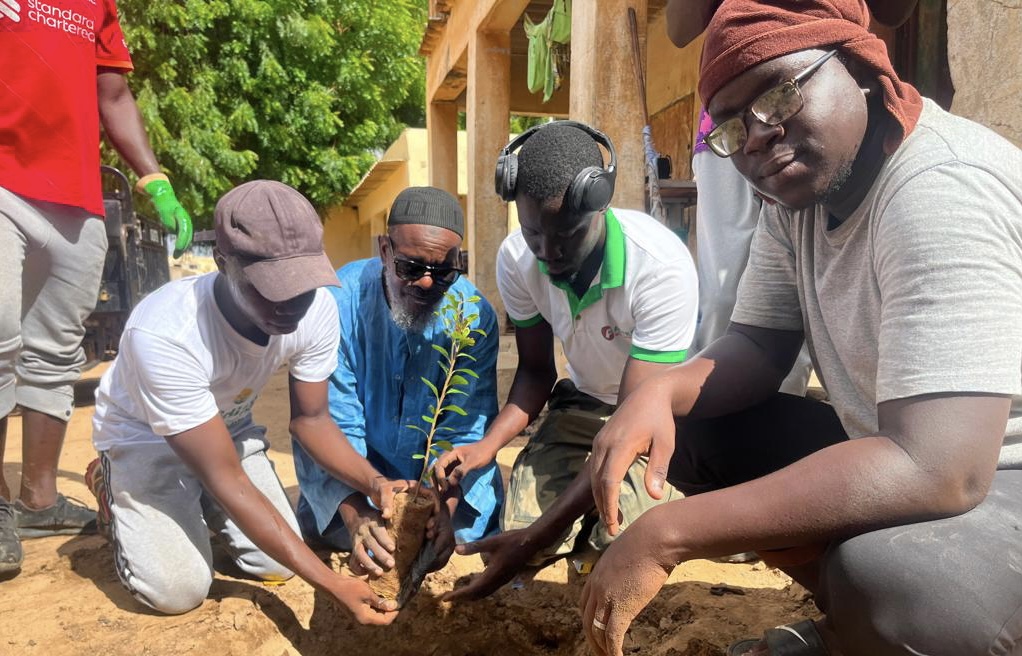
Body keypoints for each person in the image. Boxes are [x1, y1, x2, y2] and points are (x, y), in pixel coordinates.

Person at [579, 2, 1022, 655]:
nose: (756, 137)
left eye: (779, 96)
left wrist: (668, 534)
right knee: (693, 430)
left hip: (991, 471)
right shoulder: (799, 196)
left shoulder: (937, 188)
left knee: (897, 581)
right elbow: (759, 346)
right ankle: (855, 621)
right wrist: (657, 394)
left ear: (861, 68)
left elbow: (940, 467)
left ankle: (868, 624)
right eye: (731, 127)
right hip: (908, 449)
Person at [85, 180, 401, 623]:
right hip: (146, 439)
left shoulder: (316, 310)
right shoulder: (166, 333)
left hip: (228, 430)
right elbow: (227, 477)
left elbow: (312, 420)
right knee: (178, 591)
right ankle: (109, 483)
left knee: (278, 565)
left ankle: (195, 507)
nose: (291, 304)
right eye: (271, 287)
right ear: (222, 261)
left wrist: (374, 482)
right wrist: (332, 584)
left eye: (303, 285)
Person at [438, 120, 699, 599]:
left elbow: (626, 429)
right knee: (520, 527)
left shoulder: (659, 268)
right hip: (583, 405)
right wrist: (487, 446)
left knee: (619, 541)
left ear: (600, 206)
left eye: (568, 234)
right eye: (533, 232)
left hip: (656, 418)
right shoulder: (517, 259)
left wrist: (537, 538)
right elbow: (537, 372)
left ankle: (688, 494)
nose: (549, 252)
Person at [0, 0, 193, 573]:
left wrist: (155, 179)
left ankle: (38, 502)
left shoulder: (96, 4)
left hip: (76, 197)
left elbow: (112, 94)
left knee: (56, 352)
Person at [294, 186, 502, 579]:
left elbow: (466, 429)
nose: (426, 283)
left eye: (443, 272)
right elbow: (331, 423)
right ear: (385, 250)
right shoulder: (335, 306)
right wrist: (360, 514)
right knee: (318, 444)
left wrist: (441, 507)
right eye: (411, 267)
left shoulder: (472, 316)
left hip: (438, 490)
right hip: (356, 481)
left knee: (458, 536)